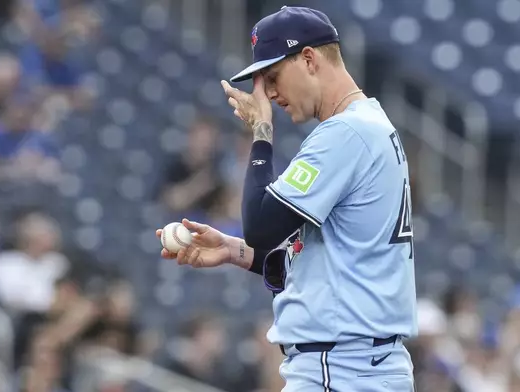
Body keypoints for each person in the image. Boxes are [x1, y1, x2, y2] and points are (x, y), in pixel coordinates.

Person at [157, 6, 417, 391]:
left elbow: (260, 226)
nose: (269, 93)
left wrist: (260, 131)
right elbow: (322, 260)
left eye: (272, 76)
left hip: (342, 368)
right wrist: (233, 250)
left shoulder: (346, 133)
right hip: (360, 365)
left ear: (309, 58)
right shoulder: (370, 125)